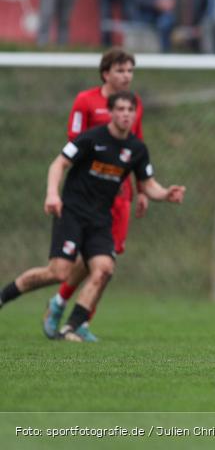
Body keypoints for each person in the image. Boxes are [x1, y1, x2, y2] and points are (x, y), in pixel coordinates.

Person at [0, 92, 185, 342]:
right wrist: (52, 194)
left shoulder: (137, 149)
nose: (125, 114)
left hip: (100, 219)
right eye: (120, 109)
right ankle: (4, 296)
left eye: (130, 110)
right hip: (72, 212)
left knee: (104, 269)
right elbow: (58, 164)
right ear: (110, 112)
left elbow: (148, 184)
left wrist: (165, 194)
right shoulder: (91, 139)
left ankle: (72, 327)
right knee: (59, 272)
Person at [42, 50, 146, 342]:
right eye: (121, 70)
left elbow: (135, 148)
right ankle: (62, 305)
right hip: (88, 195)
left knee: (105, 262)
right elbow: (73, 144)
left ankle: (78, 318)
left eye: (130, 71)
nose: (127, 76)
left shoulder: (133, 105)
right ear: (106, 73)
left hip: (119, 194)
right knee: (91, 259)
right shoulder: (85, 101)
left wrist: (142, 189)